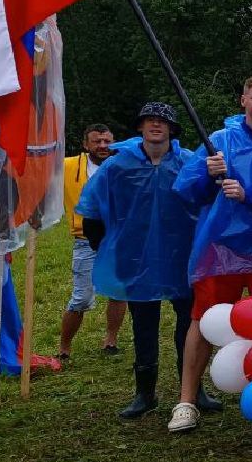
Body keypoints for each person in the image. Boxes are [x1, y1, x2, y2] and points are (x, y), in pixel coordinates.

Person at [169, 76, 252, 433]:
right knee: (203, 319)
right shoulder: (219, 142)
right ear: (243, 101)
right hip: (219, 249)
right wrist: (207, 176)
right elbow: (187, 192)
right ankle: (186, 401)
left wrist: (249, 195)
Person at [75, 103, 199, 420]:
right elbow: (93, 209)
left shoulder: (189, 163)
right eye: (150, 120)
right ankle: (145, 393)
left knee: (189, 323)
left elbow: (207, 201)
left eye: (163, 121)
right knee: (144, 324)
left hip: (182, 256)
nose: (156, 125)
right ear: (140, 127)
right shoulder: (118, 166)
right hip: (135, 256)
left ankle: (193, 389)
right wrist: (106, 246)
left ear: (172, 129)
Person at [59, 123, 127, 362]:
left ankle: (111, 340)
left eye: (107, 141)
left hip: (117, 239)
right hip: (84, 241)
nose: (102, 145)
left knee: (118, 292)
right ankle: (64, 347)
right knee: (81, 298)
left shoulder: (123, 165)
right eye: (97, 141)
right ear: (85, 144)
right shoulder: (67, 166)